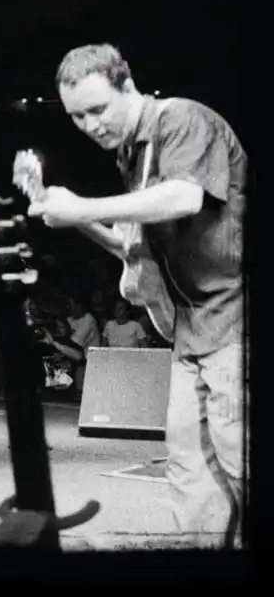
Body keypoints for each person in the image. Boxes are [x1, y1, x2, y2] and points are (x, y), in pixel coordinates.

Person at [27, 43, 246, 548]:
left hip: (238, 319)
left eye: (98, 109)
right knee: (190, 469)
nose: (90, 125)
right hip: (193, 329)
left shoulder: (182, 119)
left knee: (241, 460)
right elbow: (132, 251)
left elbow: (185, 196)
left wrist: (84, 208)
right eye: (77, 116)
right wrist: (66, 215)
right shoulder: (133, 154)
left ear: (128, 86)